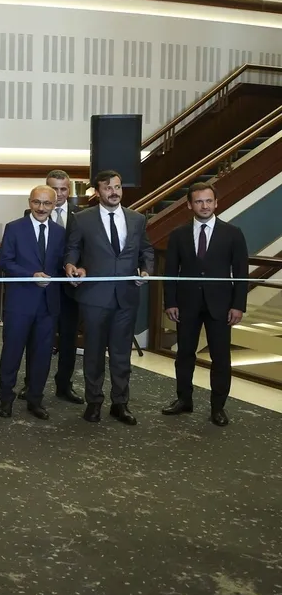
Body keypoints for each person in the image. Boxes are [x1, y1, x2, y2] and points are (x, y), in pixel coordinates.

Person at [64, 170, 154, 425]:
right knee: (93, 353)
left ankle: (120, 403)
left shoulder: (137, 219)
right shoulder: (82, 219)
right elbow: (72, 249)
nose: (114, 192)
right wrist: (71, 266)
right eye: (108, 188)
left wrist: (146, 270)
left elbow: (146, 250)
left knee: (121, 353)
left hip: (126, 296)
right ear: (97, 192)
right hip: (94, 296)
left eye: (117, 187)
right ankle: (94, 402)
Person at [162, 182, 248, 427]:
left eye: (209, 201)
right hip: (186, 304)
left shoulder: (233, 233)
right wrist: (170, 302)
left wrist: (238, 305)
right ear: (190, 205)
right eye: (199, 201)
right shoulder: (178, 234)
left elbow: (241, 272)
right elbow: (170, 272)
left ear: (216, 203)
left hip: (221, 306)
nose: (204, 206)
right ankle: (184, 400)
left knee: (220, 357)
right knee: (184, 354)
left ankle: (218, 407)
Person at [0, 185, 66, 421]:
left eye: (47, 203)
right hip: (20, 302)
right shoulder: (14, 228)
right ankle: (6, 399)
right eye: (37, 202)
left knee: (42, 356)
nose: (41, 208)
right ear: (29, 202)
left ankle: (35, 400)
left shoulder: (60, 232)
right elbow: (5, 262)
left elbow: (61, 264)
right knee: (12, 353)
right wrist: (31, 274)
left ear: (54, 205)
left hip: (48, 305)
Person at [20, 170, 84, 404]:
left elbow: (85, 248)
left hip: (69, 288)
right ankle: (30, 384)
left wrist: (79, 268)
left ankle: (64, 385)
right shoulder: (31, 214)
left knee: (68, 339)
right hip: (40, 287)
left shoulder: (81, 215)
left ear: (69, 190)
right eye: (54, 189)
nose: (59, 194)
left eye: (63, 189)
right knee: (35, 338)